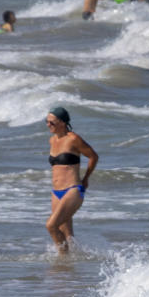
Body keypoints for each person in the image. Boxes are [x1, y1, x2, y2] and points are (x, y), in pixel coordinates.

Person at [44, 107, 98, 253]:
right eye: (46, 122)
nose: (48, 125)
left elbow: (93, 156)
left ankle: (63, 259)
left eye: (51, 122)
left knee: (51, 226)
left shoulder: (73, 139)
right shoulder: (52, 140)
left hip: (72, 190)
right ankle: (70, 268)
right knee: (67, 235)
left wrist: (86, 178)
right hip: (56, 192)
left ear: (62, 122)